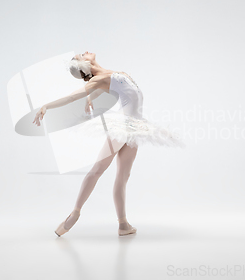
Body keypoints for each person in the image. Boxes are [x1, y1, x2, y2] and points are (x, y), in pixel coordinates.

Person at [33, 51, 184, 236]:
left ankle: (123, 224)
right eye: (80, 56)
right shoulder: (97, 80)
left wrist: (90, 98)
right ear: (84, 65)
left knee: (123, 177)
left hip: (135, 128)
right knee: (98, 169)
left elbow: (109, 88)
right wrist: (46, 106)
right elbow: (73, 96)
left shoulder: (105, 76)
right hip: (123, 126)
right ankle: (75, 213)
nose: (83, 52)